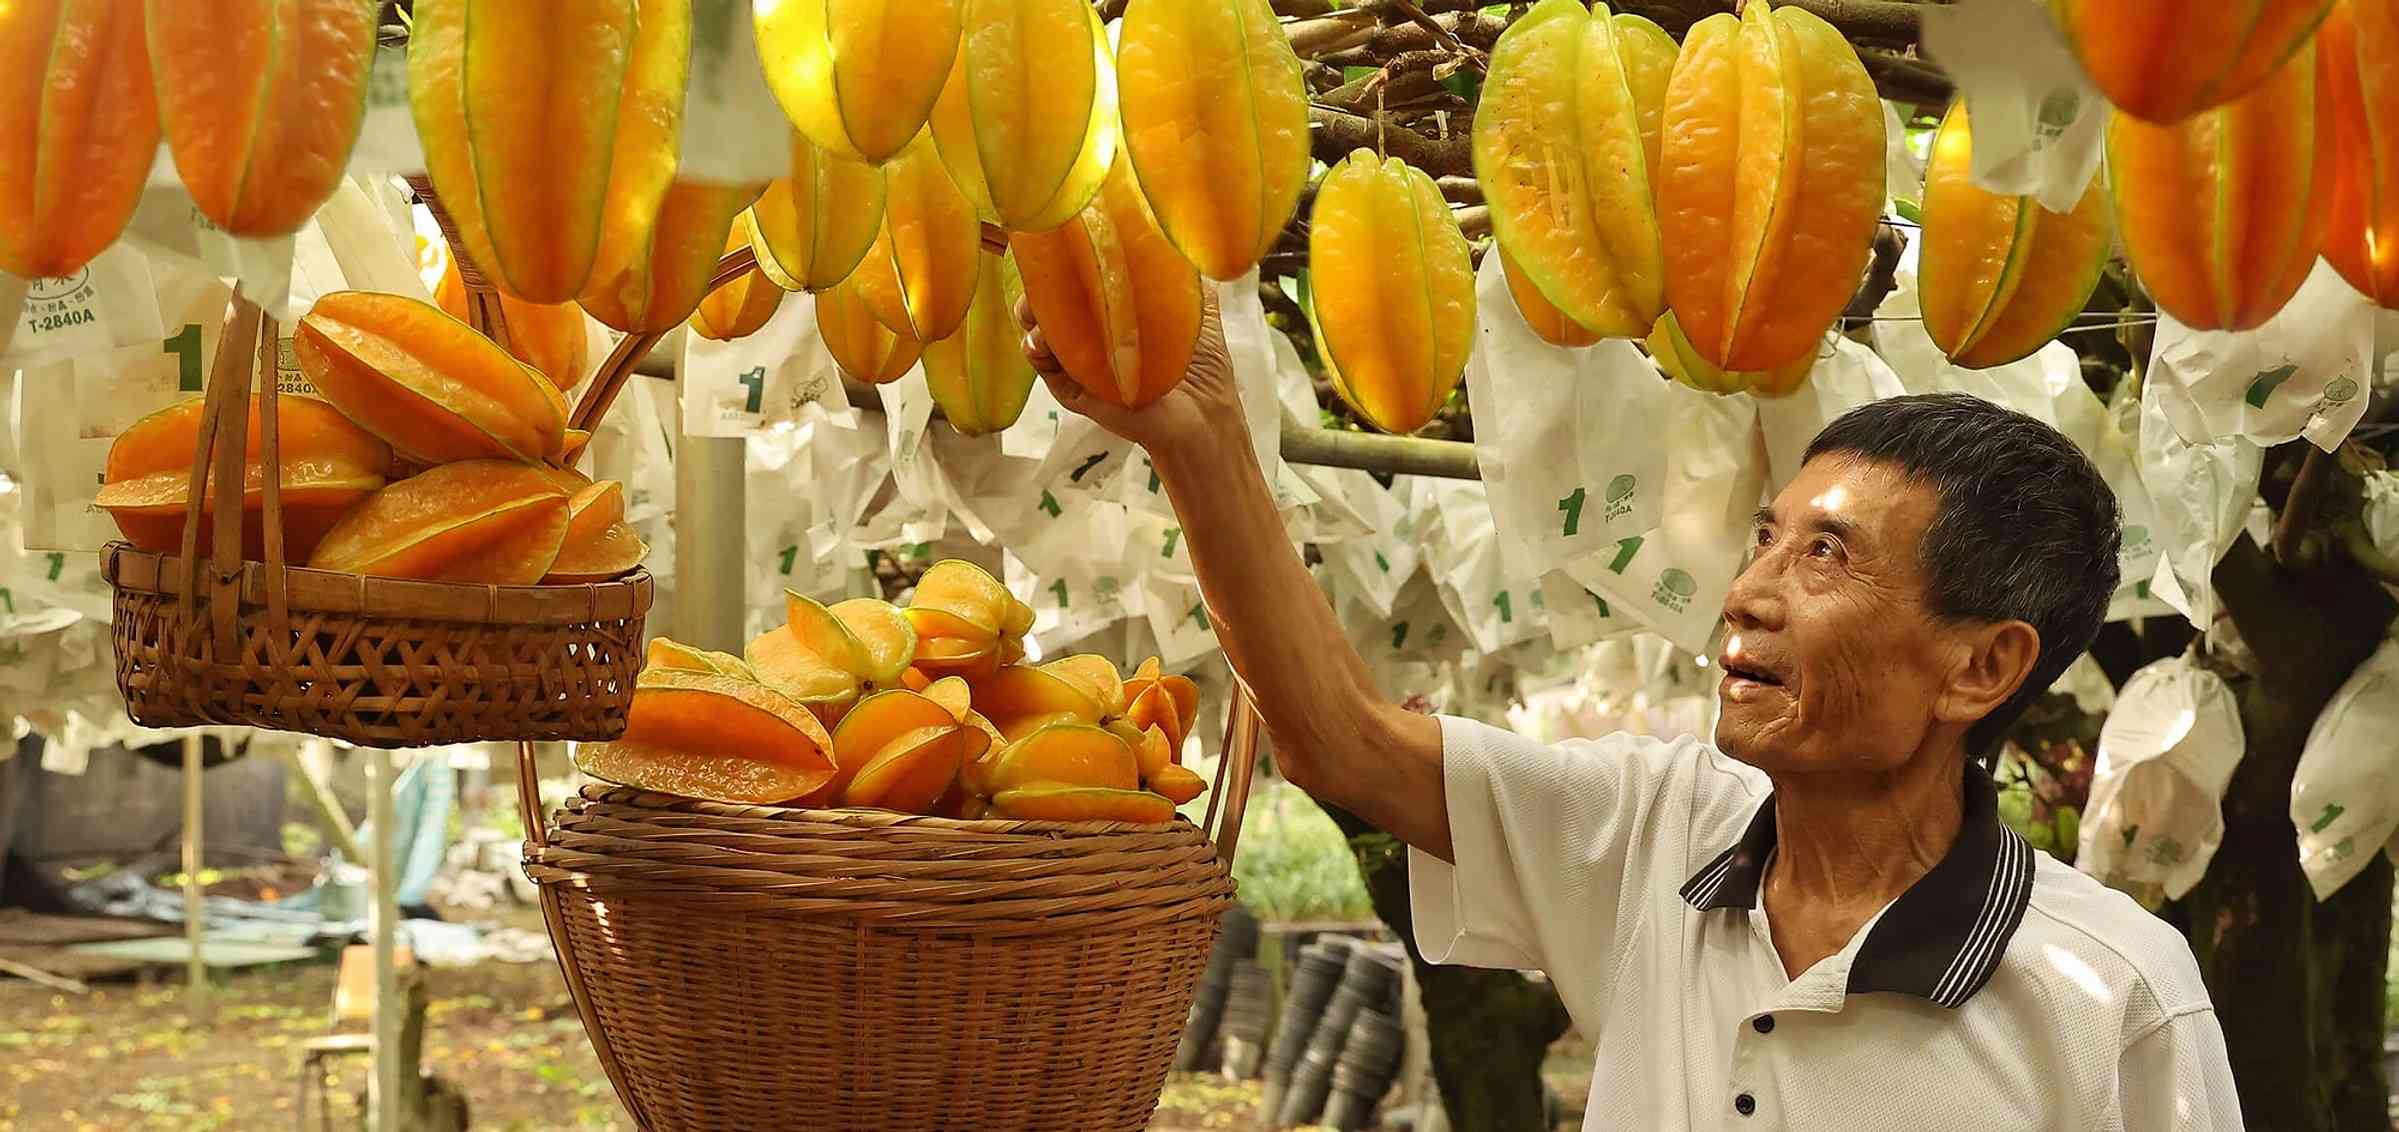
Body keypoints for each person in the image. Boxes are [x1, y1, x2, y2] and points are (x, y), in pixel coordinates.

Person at [1018, 294, 2242, 1129]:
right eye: (1763, 538)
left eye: (1824, 559)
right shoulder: (1660, 832)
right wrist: (1201, 438)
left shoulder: (2114, 995)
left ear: (1980, 669)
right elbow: (1337, 737)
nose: (1747, 593)